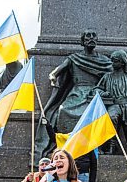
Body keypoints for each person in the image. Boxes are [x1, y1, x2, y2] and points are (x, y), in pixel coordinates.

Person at [35, 29, 113, 159]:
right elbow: (55, 72)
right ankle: (68, 144)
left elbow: (115, 74)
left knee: (94, 113)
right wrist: (53, 78)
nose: (91, 38)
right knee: (63, 110)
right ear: (82, 41)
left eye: (94, 36)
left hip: (95, 93)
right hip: (77, 93)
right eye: (88, 36)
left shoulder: (105, 61)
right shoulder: (73, 58)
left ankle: (93, 146)